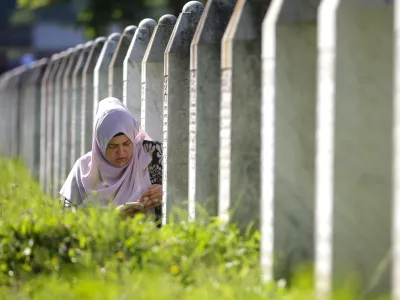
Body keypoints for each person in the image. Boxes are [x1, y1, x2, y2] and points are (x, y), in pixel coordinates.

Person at [59, 97, 163, 220]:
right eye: (112, 146)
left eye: (126, 144)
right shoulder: (83, 170)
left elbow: (184, 194)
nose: (121, 152)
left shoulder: (153, 155)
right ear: (100, 145)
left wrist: (165, 194)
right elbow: (65, 218)